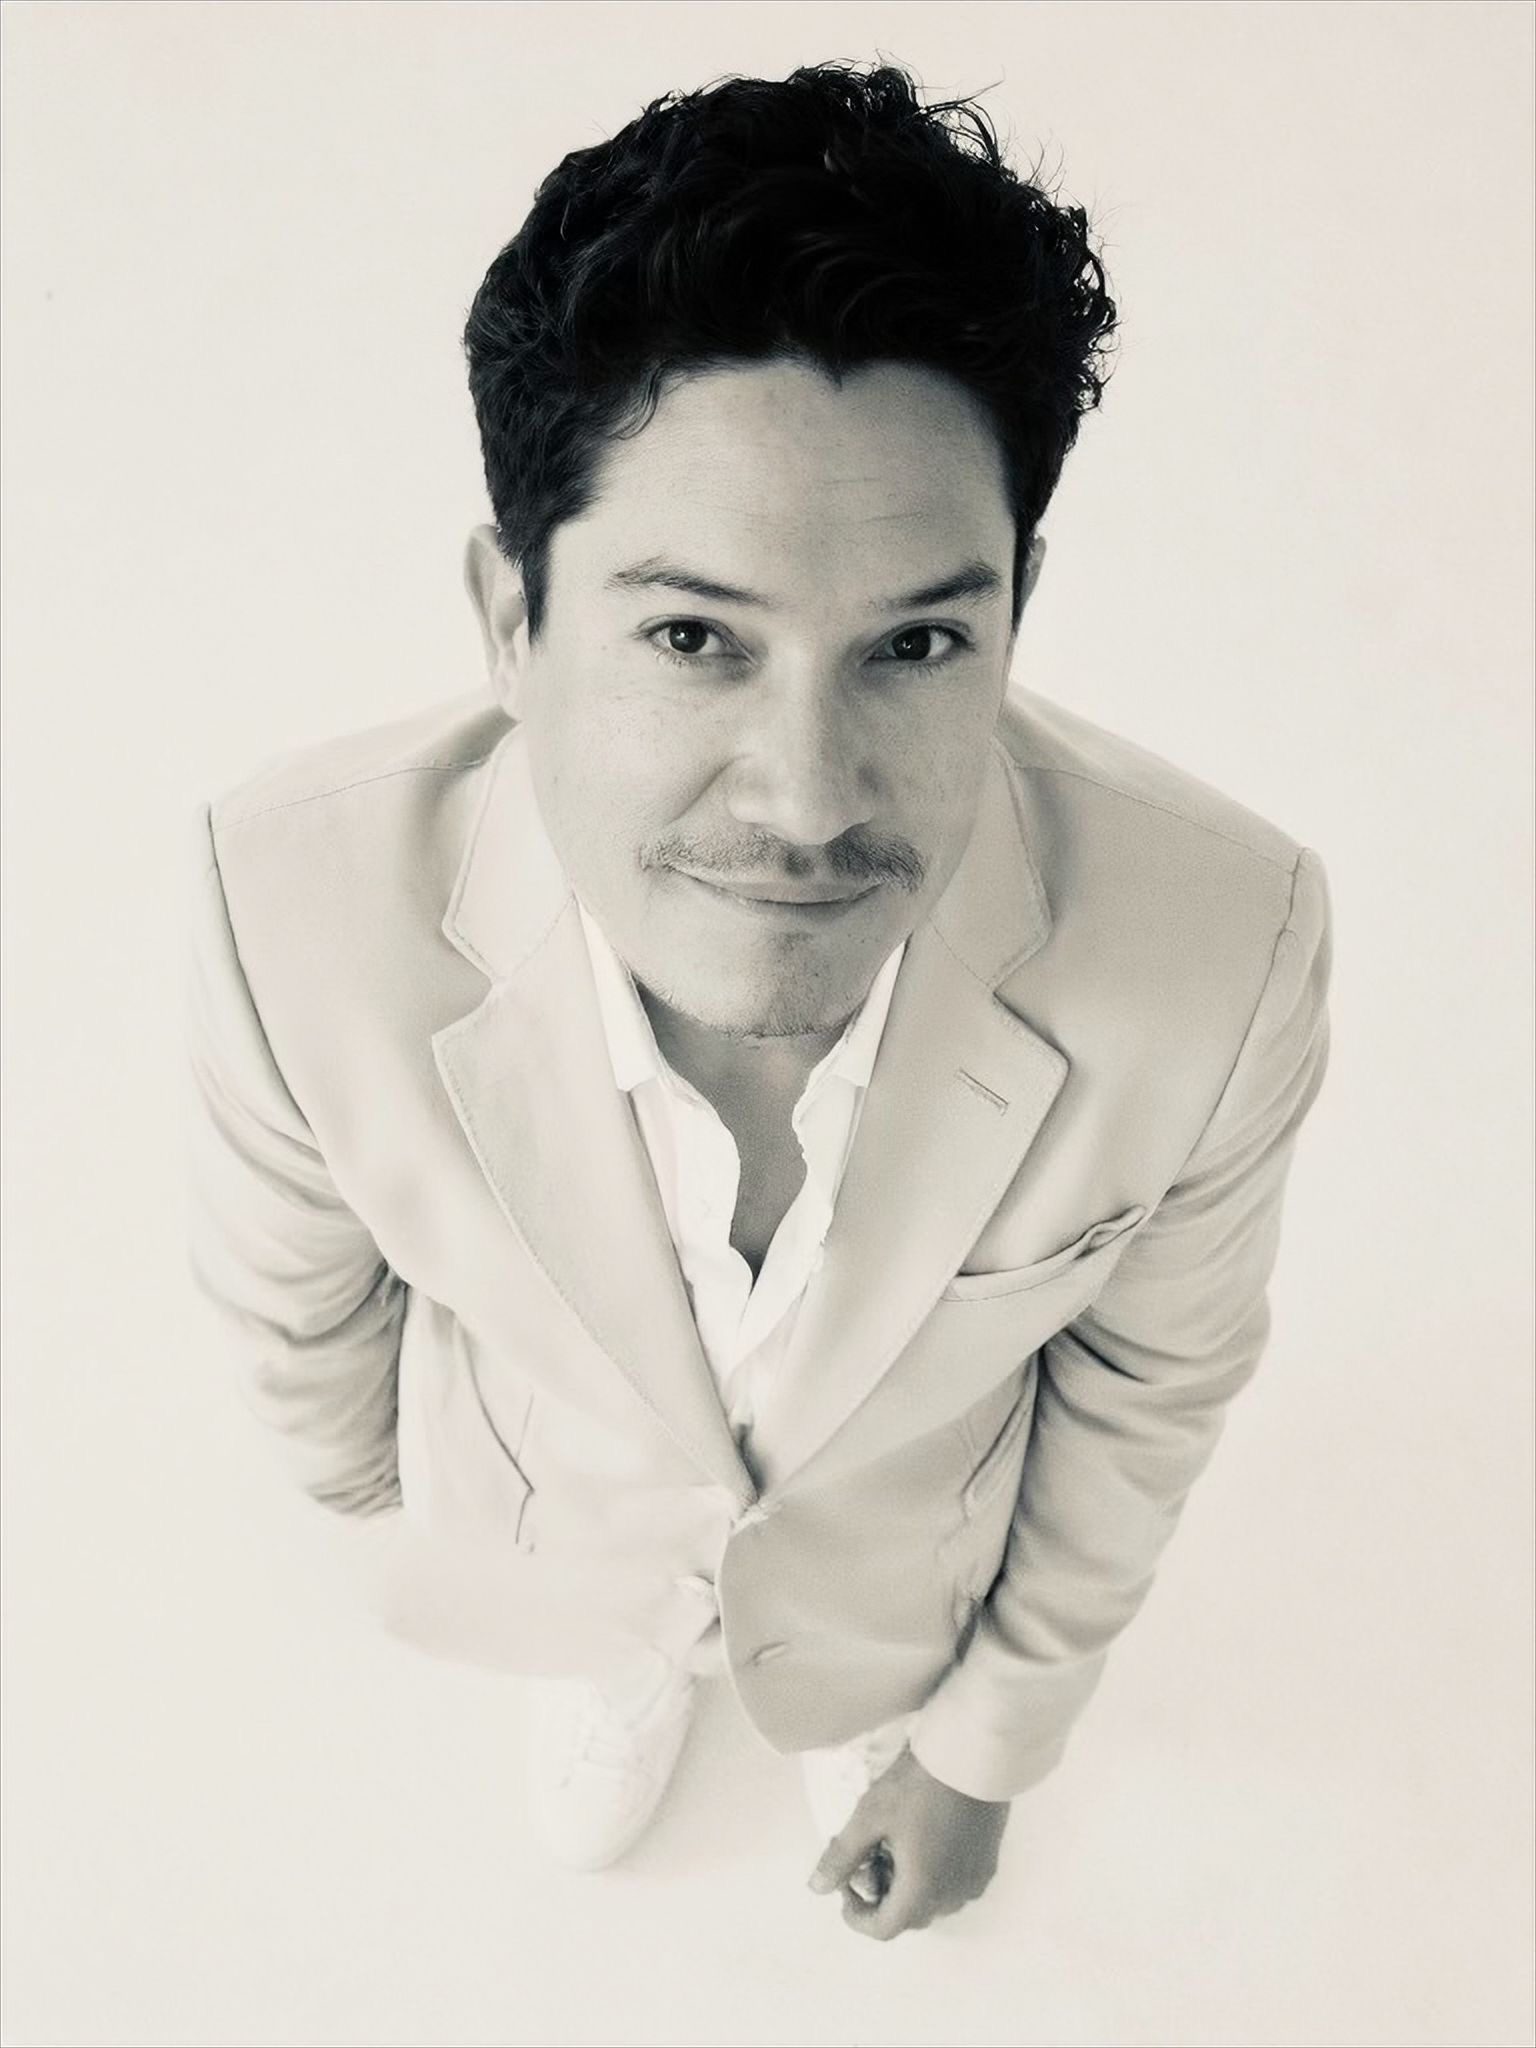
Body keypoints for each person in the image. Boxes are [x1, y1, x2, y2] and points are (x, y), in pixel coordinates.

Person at [184, 60, 1333, 1943]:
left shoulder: (1231, 943)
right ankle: (620, 1660)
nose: (807, 801)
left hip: (900, 1601)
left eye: (918, 643)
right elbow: (300, 1319)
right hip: (548, 1549)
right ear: (510, 620)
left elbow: (1149, 1389)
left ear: (1016, 610)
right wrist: (436, 1546)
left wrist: (979, 1750)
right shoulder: (285, 903)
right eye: (693, 636)